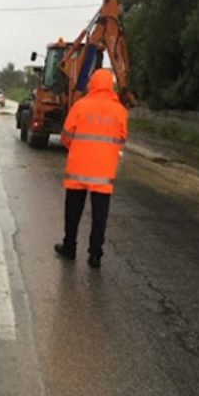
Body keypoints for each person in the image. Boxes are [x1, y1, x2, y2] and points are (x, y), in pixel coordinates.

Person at [54, 69, 128, 269]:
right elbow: (121, 139)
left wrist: (77, 148)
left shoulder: (80, 106)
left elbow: (66, 136)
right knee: (99, 216)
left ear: (92, 83)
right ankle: (95, 255)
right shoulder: (120, 110)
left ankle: (70, 247)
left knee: (73, 211)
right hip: (103, 173)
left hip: (78, 169)